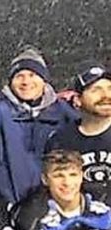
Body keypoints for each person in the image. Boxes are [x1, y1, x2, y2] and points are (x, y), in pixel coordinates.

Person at [0, 47, 77, 204]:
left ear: (44, 80)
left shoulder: (62, 112)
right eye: (19, 76)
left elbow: (85, 131)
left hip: (48, 203)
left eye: (32, 75)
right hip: (0, 202)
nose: (26, 82)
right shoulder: (1, 108)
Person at [45, 62, 111, 203]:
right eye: (96, 90)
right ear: (77, 100)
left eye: (110, 89)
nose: (106, 95)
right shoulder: (60, 141)